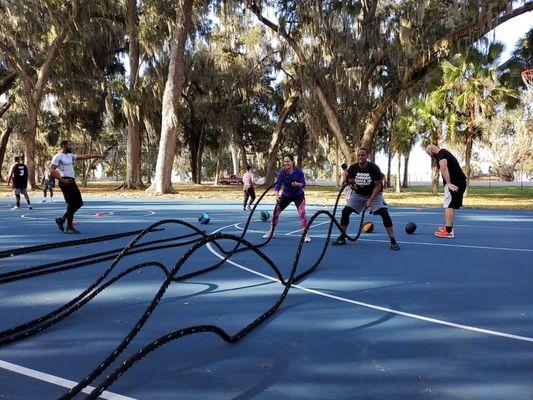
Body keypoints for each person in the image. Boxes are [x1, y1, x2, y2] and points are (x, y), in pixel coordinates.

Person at [333, 148, 399, 250]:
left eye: (362, 155)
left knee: (384, 213)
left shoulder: (374, 168)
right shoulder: (353, 168)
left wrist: (370, 200)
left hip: (374, 194)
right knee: (345, 211)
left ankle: (393, 241)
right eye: (359, 155)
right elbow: (351, 181)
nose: (360, 157)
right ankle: (342, 237)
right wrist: (350, 183)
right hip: (358, 194)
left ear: (366, 156)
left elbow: (378, 186)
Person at [50, 140, 104, 234]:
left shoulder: (70, 156)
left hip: (72, 182)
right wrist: (62, 180)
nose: (70, 146)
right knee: (71, 205)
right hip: (65, 182)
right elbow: (52, 170)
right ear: (63, 145)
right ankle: (69, 228)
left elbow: (83, 156)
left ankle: (62, 219)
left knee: (79, 203)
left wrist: (96, 155)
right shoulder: (58, 156)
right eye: (68, 145)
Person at [263, 154, 311, 243]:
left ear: (292, 162)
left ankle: (306, 235)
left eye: (288, 161)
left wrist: (297, 184)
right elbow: (277, 185)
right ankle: (271, 232)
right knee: (275, 213)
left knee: (302, 213)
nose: (286, 163)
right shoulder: (282, 172)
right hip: (286, 195)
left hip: (298, 195)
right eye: (284, 161)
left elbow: (303, 184)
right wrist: (277, 195)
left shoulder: (298, 171)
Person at [425, 144, 467, 238]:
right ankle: (449, 228)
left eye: (429, 153)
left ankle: (448, 232)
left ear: (432, 149)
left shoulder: (441, 154)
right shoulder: (444, 153)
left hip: (454, 183)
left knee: (448, 205)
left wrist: (448, 183)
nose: (430, 156)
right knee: (450, 205)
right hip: (458, 182)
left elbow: (444, 168)